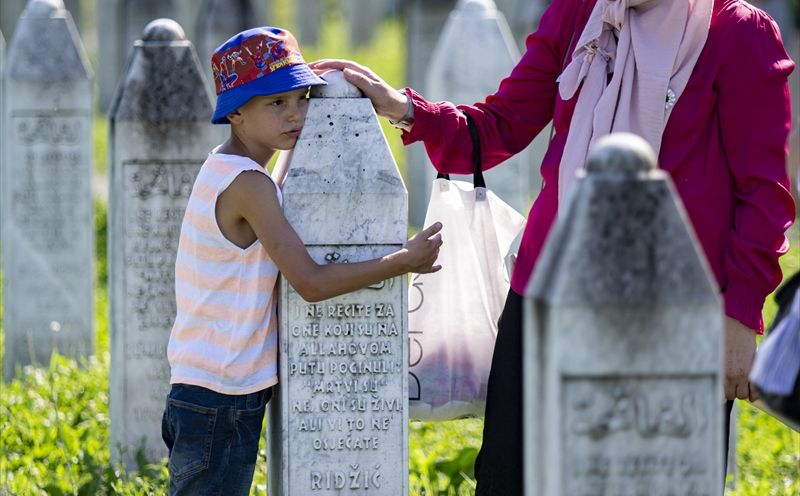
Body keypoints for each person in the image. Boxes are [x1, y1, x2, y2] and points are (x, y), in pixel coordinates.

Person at [312, 0, 797, 493]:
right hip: (547, 298)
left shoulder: (738, 32)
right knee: (513, 476)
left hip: (672, 315)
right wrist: (404, 108)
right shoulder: (579, 12)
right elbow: (501, 123)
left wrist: (738, 319)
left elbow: (764, 194)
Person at [160, 27, 443, 496]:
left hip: (206, 388)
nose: (295, 115)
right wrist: (402, 260)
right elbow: (309, 282)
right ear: (235, 113)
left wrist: (328, 73)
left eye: (303, 97)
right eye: (275, 103)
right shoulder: (250, 185)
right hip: (221, 396)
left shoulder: (225, 164)